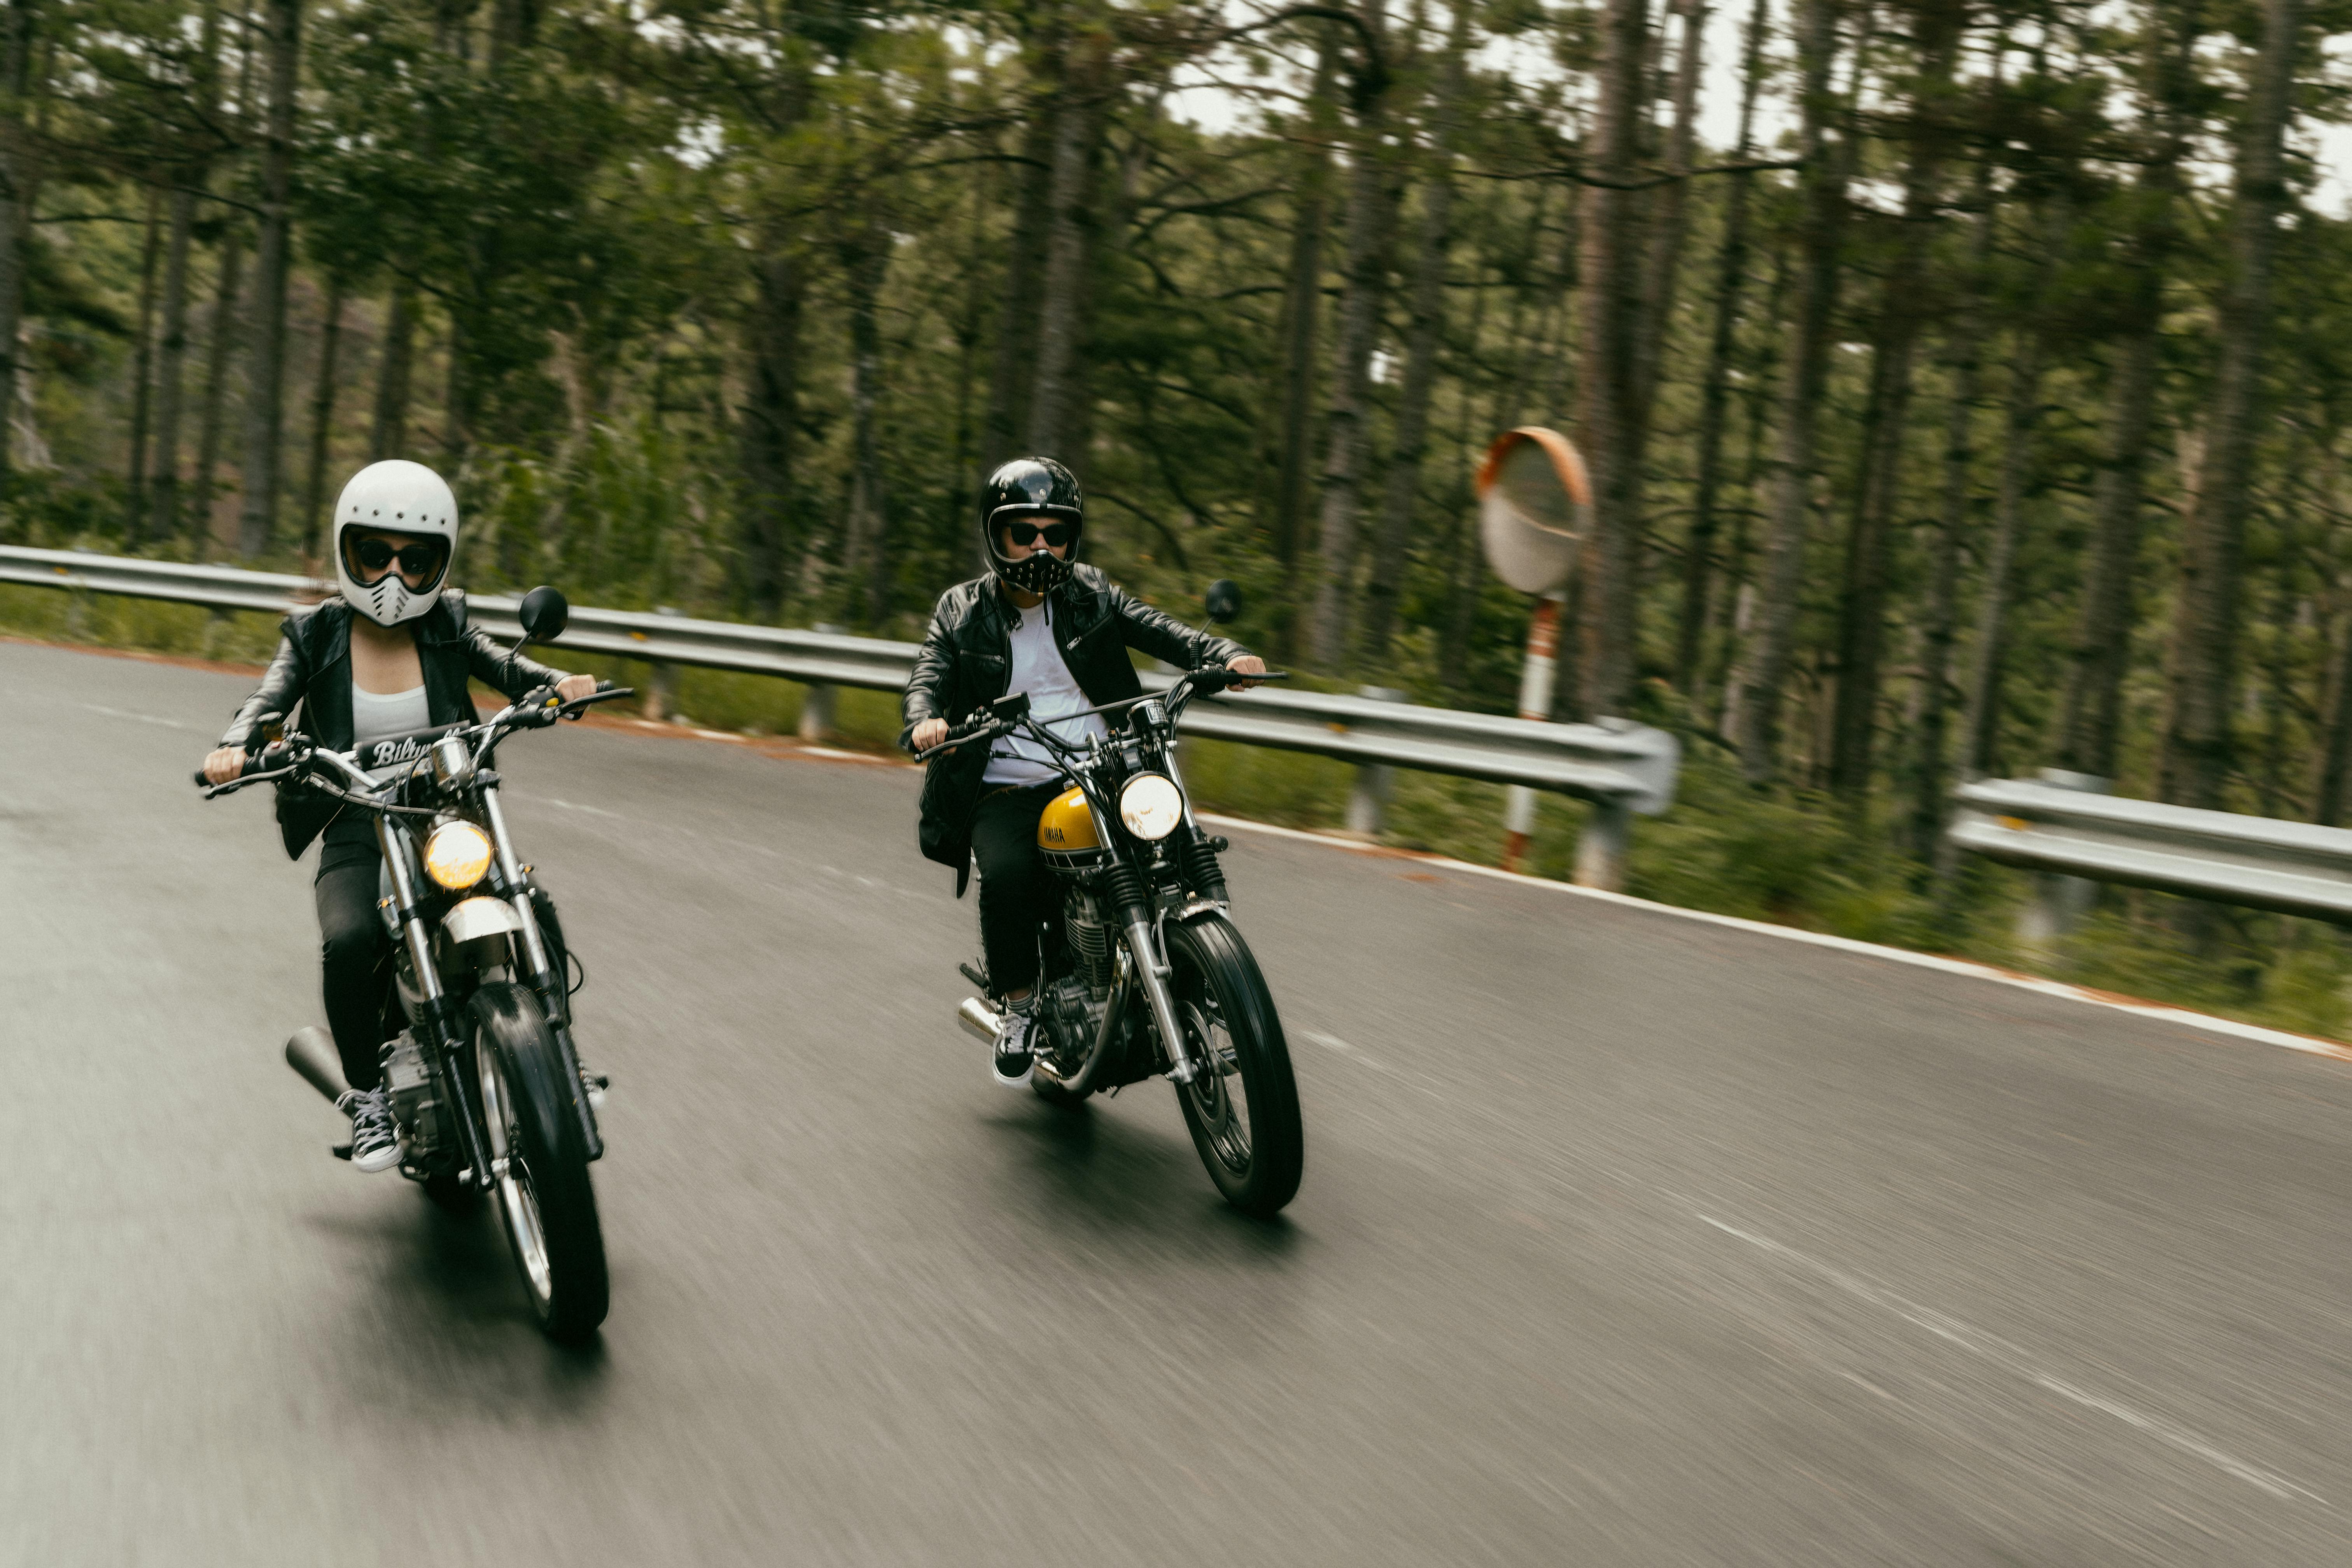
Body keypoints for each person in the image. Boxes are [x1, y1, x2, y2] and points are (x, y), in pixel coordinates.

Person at [201, 459, 597, 1172]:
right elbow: (268, 700)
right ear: (346, 551)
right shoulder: (313, 634)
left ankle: (557, 1057)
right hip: (358, 815)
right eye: (373, 555)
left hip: (447, 812)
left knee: (529, 903)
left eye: (415, 563)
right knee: (350, 939)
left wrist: (554, 685)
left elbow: (501, 665)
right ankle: (368, 1099)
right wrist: (238, 744)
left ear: (438, 565)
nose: (392, 578)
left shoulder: (446, 623)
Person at [902, 456, 1264, 1085]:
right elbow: (928, 676)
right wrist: (926, 719)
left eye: (1056, 533)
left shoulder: (1091, 591)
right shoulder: (961, 611)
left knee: (1170, 835)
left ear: (1074, 537)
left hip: (1100, 770)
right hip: (1008, 782)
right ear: (995, 534)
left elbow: (1160, 630)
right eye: (1025, 532)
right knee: (1009, 875)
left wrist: (1221, 653)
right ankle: (1018, 1009)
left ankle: (1206, 973)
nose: (1041, 547)